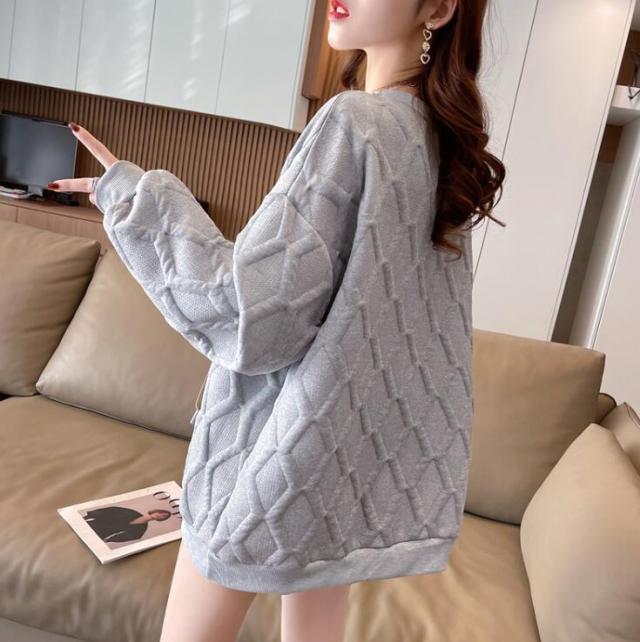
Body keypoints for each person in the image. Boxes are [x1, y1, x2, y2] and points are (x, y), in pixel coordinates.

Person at [48, 0, 505, 640]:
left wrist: (136, 200)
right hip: (341, 458)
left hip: (270, 451)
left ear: (437, 8)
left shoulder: (353, 122)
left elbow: (254, 315)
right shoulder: (439, 145)